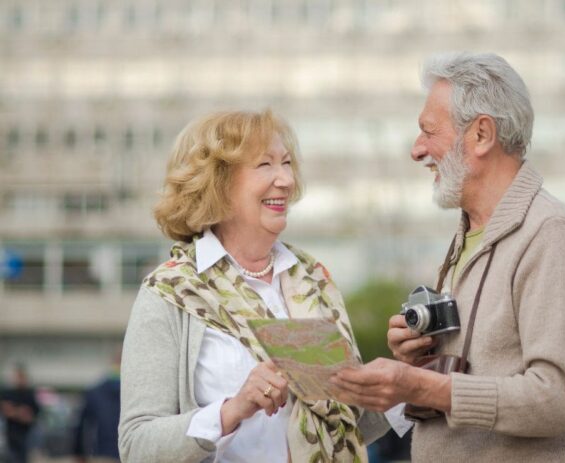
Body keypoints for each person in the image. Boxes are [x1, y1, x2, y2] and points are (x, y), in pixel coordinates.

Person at [331, 52, 565, 462]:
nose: (416, 149)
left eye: (429, 131)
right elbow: (473, 373)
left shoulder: (554, 235)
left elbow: (554, 399)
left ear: (481, 135)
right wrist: (416, 360)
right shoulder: (468, 236)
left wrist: (420, 386)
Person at [118, 110, 390, 462]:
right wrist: (233, 409)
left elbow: (345, 425)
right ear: (218, 182)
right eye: (265, 165)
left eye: (287, 163)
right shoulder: (170, 292)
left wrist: (408, 379)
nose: (286, 180)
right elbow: (137, 445)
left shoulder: (309, 279)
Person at [73, 353, 121, 462]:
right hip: (133, 455)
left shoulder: (94, 391)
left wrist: (78, 452)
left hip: (102, 453)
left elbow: (81, 426)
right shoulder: (142, 393)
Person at [0, 364, 40, 463]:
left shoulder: (30, 394)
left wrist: (15, 412)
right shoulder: (7, 393)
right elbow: (6, 410)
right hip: (10, 435)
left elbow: (31, 415)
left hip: (26, 435)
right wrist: (19, 413)